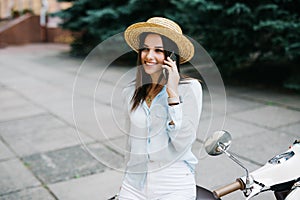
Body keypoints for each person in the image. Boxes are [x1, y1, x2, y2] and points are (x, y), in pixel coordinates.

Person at [119, 17, 202, 200]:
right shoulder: (130, 92)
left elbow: (183, 142)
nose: (149, 56)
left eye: (158, 50)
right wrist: (127, 175)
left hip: (173, 180)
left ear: (171, 56)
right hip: (135, 182)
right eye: (145, 49)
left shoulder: (190, 88)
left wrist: (173, 94)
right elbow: (130, 141)